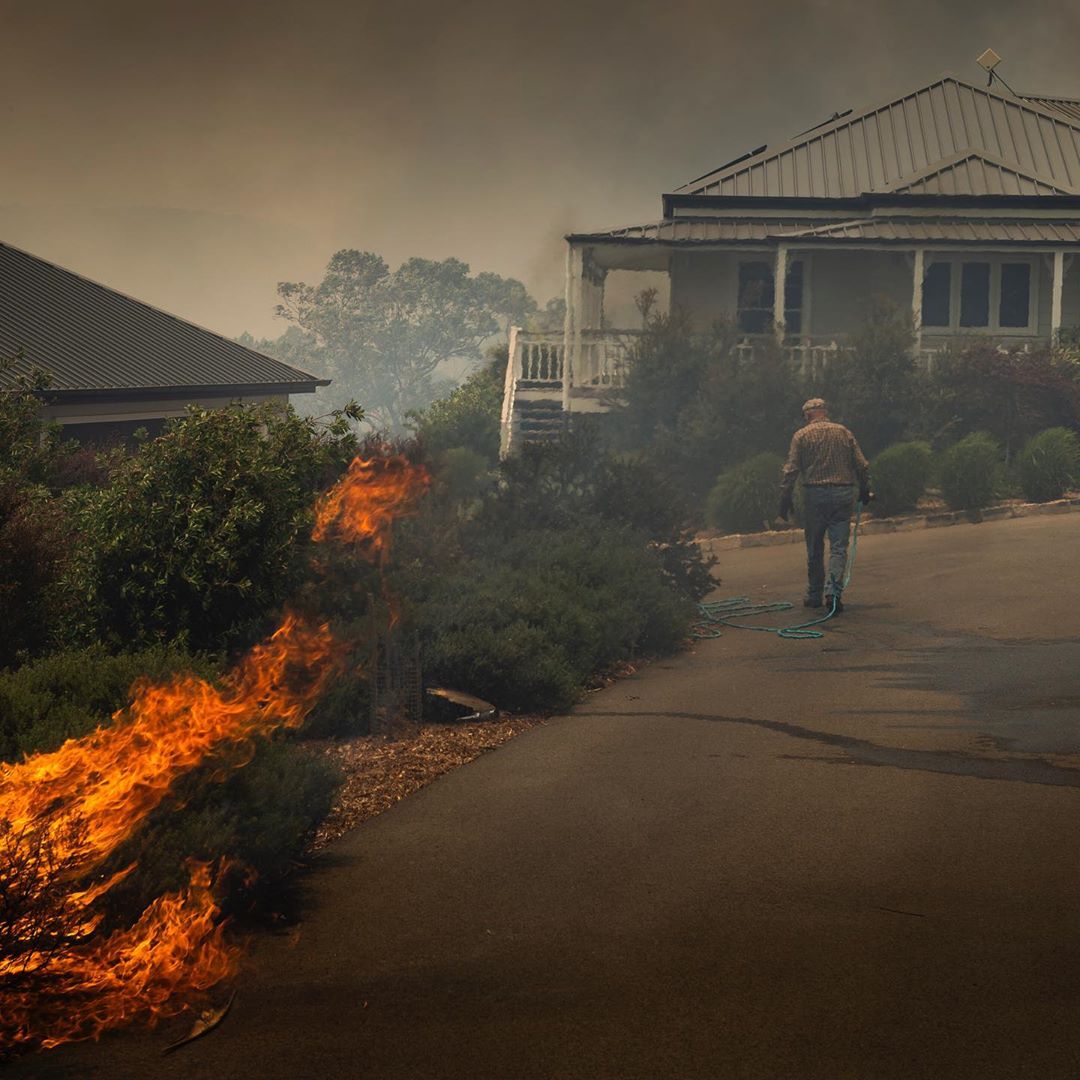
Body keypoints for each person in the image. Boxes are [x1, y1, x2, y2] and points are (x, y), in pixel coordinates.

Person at [778, 397, 871, 614]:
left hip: (814, 495)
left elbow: (791, 470)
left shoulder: (801, 436)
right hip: (843, 493)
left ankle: (814, 594)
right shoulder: (844, 432)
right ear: (824, 412)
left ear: (808, 415)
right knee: (839, 547)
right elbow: (862, 465)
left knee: (815, 546)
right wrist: (865, 489)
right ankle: (833, 593)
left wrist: (785, 498)